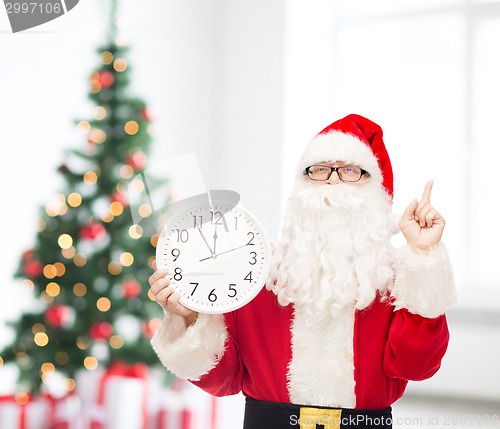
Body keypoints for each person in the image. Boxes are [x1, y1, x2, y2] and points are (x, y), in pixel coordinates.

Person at [149, 114, 456, 429]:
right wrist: (188, 318)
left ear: (375, 189)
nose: (333, 180)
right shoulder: (256, 271)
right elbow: (224, 379)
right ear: (300, 184)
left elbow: (417, 366)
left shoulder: (395, 278)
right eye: (320, 170)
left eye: (350, 170)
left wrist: (423, 256)